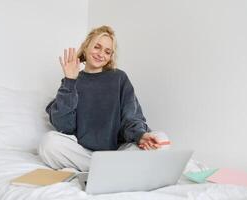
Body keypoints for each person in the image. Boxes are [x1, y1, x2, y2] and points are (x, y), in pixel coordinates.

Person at [38, 25, 167, 172]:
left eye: (107, 51)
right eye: (97, 47)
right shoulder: (72, 81)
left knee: (160, 139)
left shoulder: (119, 78)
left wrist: (140, 135)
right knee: (48, 143)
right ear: (86, 47)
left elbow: (132, 117)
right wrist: (70, 80)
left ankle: (105, 169)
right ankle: (113, 171)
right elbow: (64, 126)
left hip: (118, 152)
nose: (101, 54)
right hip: (83, 152)